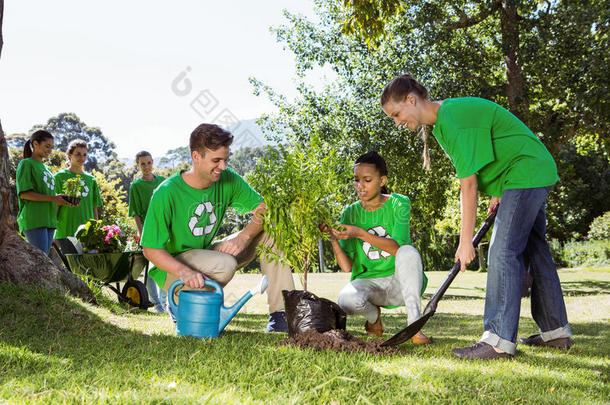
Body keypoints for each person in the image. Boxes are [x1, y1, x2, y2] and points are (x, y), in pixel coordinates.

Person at [381, 74, 572, 359]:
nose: (397, 122)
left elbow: (468, 185)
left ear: (411, 100)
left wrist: (465, 241)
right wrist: (498, 191)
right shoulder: (443, 123)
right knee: (535, 249)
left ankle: (498, 340)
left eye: (396, 114)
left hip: (525, 172)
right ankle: (556, 333)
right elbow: (490, 149)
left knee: (502, 250)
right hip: (525, 171)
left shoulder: (452, 118)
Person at [140, 123, 295, 332]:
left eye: (225, 160)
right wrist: (183, 272)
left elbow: (264, 209)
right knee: (225, 264)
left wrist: (244, 237)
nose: (222, 167)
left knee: (270, 229)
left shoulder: (227, 179)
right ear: (196, 156)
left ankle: (280, 315)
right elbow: (150, 249)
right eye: (216, 160)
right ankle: (179, 301)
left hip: (206, 256)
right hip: (172, 266)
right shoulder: (166, 193)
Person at [321, 151, 430, 344]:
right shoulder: (350, 213)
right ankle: (374, 319)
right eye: (356, 180)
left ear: (382, 181)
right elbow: (347, 267)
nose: (360, 186)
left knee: (409, 252)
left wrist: (360, 233)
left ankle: (414, 327)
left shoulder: (399, 203)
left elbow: (397, 249)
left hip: (400, 282)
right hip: (369, 284)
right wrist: (333, 239)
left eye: (367, 180)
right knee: (345, 300)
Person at [16, 130, 73, 254]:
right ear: (35, 144)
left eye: (51, 147)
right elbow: (24, 193)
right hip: (34, 220)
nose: (50, 150)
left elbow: (49, 195)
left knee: (44, 262)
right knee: (40, 264)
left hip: (49, 221)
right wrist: (53, 198)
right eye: (47, 146)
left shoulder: (46, 168)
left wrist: (59, 198)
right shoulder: (26, 164)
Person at [128, 151, 167, 313]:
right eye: (142, 164)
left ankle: (165, 302)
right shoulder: (135, 186)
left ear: (153, 163)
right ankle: (156, 303)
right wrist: (141, 232)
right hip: (147, 230)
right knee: (150, 266)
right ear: (138, 165)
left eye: (149, 163)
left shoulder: (164, 182)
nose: (146, 166)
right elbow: (136, 212)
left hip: (164, 228)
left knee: (165, 266)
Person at [54, 139, 103, 239]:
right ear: (69, 155)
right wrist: (52, 230)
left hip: (87, 233)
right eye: (78, 154)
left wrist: (96, 230)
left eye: (84, 155)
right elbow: (55, 205)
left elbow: (94, 208)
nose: (82, 158)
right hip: (64, 231)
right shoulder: (59, 177)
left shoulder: (91, 180)